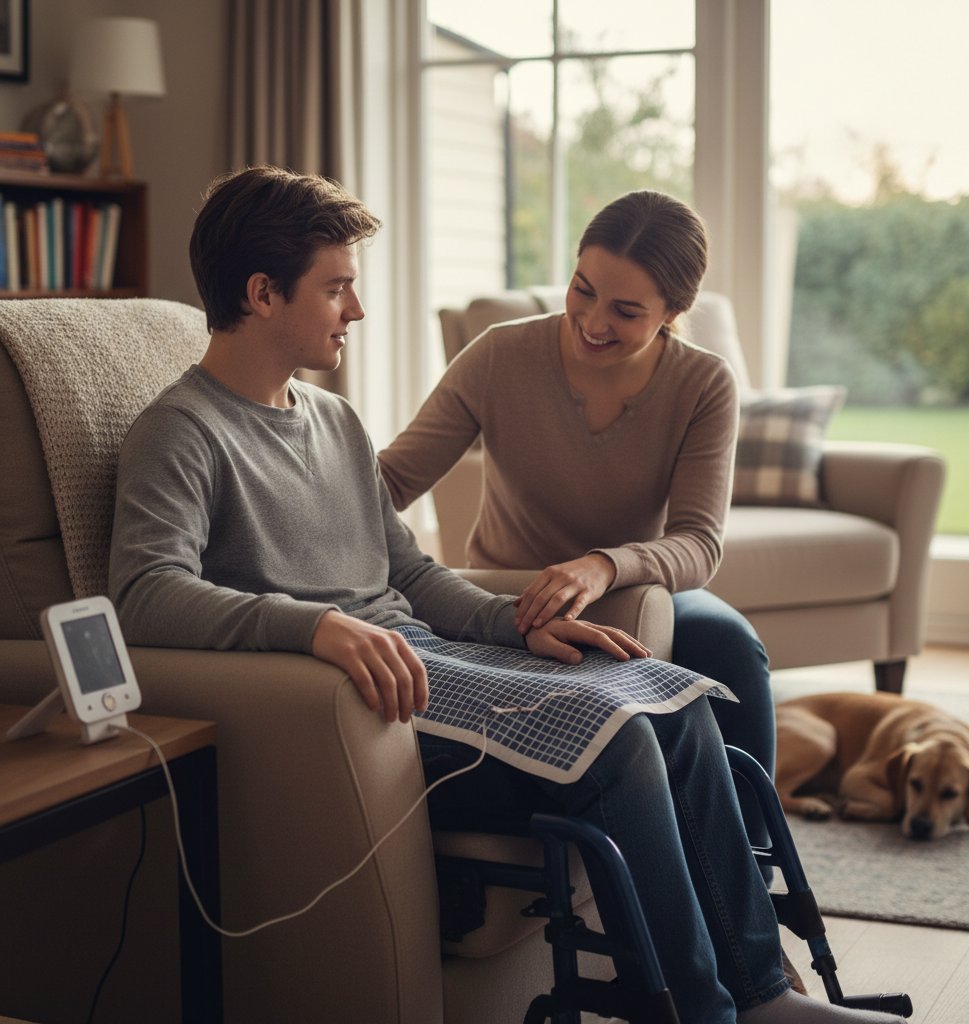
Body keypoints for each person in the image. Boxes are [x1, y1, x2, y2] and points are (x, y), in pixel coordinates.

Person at [108, 165, 903, 1024]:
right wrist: (317, 627)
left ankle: (761, 993)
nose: (358, 310)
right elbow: (146, 595)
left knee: (682, 705)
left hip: (440, 656)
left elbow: (406, 572)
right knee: (621, 740)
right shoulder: (179, 433)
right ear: (264, 294)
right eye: (338, 289)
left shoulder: (332, 421)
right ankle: (700, 1012)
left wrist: (522, 628)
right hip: (375, 700)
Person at [378, 190, 776, 798]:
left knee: (731, 647)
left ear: (674, 309)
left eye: (625, 310)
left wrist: (602, 567)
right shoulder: (498, 354)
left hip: (629, 591)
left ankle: (750, 857)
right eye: (582, 289)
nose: (593, 323)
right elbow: (394, 479)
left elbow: (698, 543)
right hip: (511, 590)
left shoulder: (703, 383)